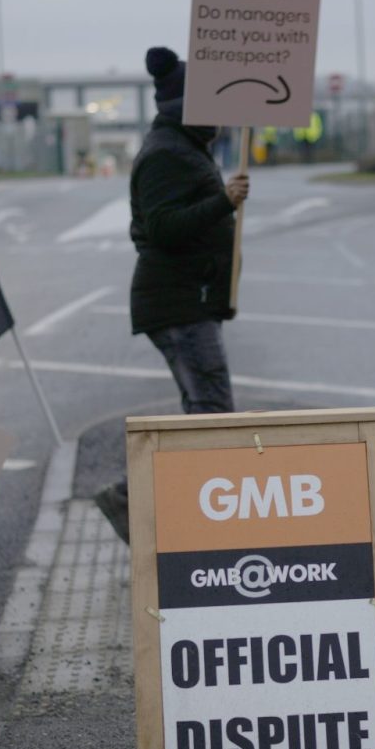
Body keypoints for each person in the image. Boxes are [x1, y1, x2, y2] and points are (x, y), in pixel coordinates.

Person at [93, 45, 249, 543]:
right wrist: (221, 202)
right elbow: (160, 228)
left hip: (190, 297)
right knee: (212, 415)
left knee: (204, 413)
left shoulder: (183, 145)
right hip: (178, 302)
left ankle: (178, 517)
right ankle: (130, 499)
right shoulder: (166, 152)